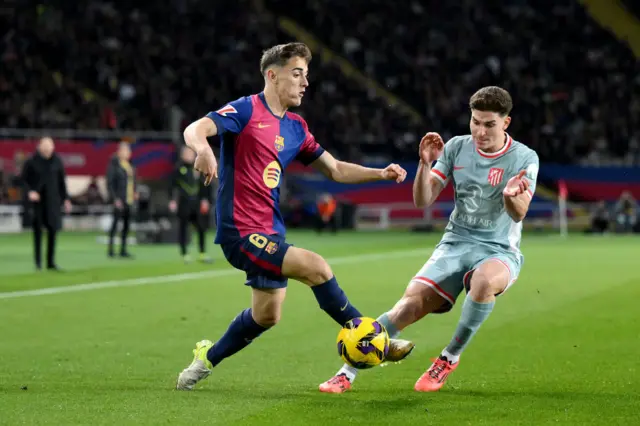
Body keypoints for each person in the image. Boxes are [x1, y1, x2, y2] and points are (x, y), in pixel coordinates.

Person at [176, 42, 412, 390]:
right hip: (240, 232)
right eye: (297, 74)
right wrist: (203, 150)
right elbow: (195, 128)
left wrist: (380, 173)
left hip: (271, 232)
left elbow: (335, 170)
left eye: (306, 75)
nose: (305, 83)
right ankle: (372, 337)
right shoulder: (245, 110)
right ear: (272, 75)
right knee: (316, 266)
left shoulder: (297, 128)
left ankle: (205, 359)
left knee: (266, 315)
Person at [319, 86, 540, 393]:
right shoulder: (456, 148)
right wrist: (424, 164)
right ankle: (347, 371)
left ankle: (448, 358)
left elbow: (519, 214)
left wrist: (509, 196)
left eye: (489, 124)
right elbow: (423, 200)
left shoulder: (524, 158)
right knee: (407, 306)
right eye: (475, 121)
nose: (480, 131)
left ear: (506, 122)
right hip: (455, 243)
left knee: (484, 283)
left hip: (498, 249)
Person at [21, 137, 72, 271]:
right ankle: (38, 262)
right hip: (38, 203)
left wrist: (66, 198)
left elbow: (62, 182)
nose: (48, 149)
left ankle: (51, 262)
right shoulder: (31, 162)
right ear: (40, 147)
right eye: (45, 146)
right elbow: (23, 181)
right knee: (37, 232)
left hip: (53, 201)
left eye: (50, 146)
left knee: (53, 231)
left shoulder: (57, 161)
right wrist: (30, 192)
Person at [169, 146, 214, 263]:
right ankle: (184, 254)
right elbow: (172, 185)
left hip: (197, 203)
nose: (189, 156)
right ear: (182, 155)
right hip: (184, 203)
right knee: (183, 228)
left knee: (201, 228)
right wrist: (173, 200)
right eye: (187, 154)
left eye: (191, 153)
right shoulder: (179, 169)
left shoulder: (199, 168)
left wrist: (205, 199)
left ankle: (202, 253)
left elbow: (206, 185)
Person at [106, 142, 137, 258]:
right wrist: (115, 198)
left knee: (126, 225)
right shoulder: (114, 165)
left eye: (128, 151)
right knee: (115, 225)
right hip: (119, 199)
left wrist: (135, 192)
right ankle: (110, 249)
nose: (126, 153)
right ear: (119, 152)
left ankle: (123, 249)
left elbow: (133, 181)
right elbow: (110, 183)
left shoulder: (130, 166)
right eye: (124, 151)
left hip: (129, 200)